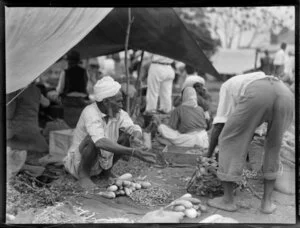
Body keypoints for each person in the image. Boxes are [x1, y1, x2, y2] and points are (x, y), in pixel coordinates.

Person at [206, 71, 294, 214]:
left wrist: (209, 153)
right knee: (273, 146)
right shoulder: (251, 80)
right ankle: (267, 204)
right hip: (285, 94)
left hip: (259, 94)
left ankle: (227, 201)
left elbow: (219, 125)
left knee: (228, 139)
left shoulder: (226, 86)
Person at [63, 76, 156, 189]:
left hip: (100, 161)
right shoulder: (90, 113)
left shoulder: (118, 113)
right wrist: (133, 152)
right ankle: (84, 176)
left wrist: (135, 137)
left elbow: (133, 127)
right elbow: (100, 142)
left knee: (126, 136)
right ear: (106, 102)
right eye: (118, 101)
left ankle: (105, 173)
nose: (121, 105)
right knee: (94, 140)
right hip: (78, 163)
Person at [6, 83, 49, 153]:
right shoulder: (37, 90)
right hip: (34, 132)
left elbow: (9, 114)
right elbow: (47, 103)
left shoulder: (14, 90)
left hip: (17, 132)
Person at [56, 50, 89, 127]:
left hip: (69, 102)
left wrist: (58, 93)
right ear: (78, 61)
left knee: (69, 126)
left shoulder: (65, 72)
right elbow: (87, 87)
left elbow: (60, 89)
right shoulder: (84, 71)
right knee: (80, 125)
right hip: (81, 101)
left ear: (69, 61)